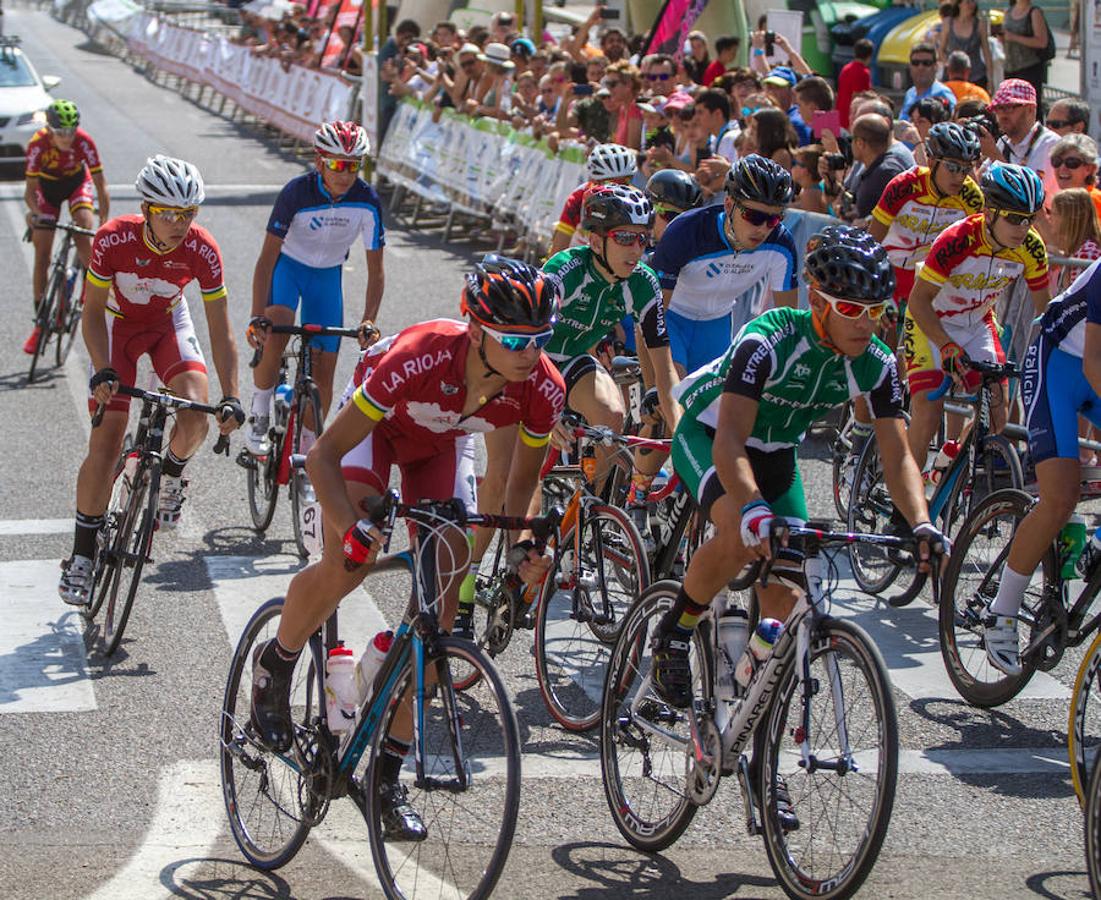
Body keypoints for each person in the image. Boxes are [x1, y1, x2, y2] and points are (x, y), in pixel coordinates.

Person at [248, 259, 564, 837]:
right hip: (374, 432)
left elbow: (518, 487)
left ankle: (386, 779)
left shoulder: (542, 387)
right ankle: (277, 661)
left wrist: (522, 545)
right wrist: (352, 529)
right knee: (351, 561)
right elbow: (322, 456)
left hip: (439, 447)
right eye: (516, 340)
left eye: (541, 339)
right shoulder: (418, 355)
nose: (530, 352)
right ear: (476, 331)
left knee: (441, 624)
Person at [648, 224, 945, 827]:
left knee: (785, 594)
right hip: (711, 436)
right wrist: (753, 506)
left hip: (776, 452)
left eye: (876, 311)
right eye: (852, 310)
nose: (866, 323)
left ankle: (756, 747)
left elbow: (897, 456)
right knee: (738, 534)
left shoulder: (877, 364)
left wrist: (921, 524)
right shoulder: (768, 339)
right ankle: (675, 633)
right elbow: (730, 439)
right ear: (817, 302)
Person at [464, 185, 681, 625]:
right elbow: (530, 342)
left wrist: (680, 431)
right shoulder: (565, 271)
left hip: (574, 362)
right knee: (504, 479)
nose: (636, 249)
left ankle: (585, 515)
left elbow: (662, 363)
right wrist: (554, 410)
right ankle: (464, 588)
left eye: (643, 238)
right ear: (596, 239)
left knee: (613, 415)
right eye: (625, 238)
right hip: (525, 366)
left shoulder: (643, 283)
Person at [58, 157, 242, 604]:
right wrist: (102, 368)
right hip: (118, 331)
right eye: (169, 213)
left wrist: (232, 395)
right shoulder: (112, 238)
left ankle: (171, 473)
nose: (180, 223)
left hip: (167, 326)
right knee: (105, 444)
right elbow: (92, 311)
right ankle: (83, 555)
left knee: (196, 416)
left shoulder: (202, 249)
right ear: (146, 208)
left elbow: (220, 329)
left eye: (188, 213)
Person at [981, 254, 1101, 674]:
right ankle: (1002, 610)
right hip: (1060, 366)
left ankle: (1096, 541)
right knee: (1060, 497)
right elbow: (1094, 361)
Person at [245, 121, 384, 456]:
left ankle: (308, 452)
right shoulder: (296, 193)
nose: (345, 174)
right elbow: (266, 260)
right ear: (319, 161)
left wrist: (368, 321)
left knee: (324, 375)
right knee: (275, 331)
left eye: (353, 166)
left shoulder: (367, 201)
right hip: (289, 268)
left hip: (327, 277)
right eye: (337, 164)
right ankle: (260, 411)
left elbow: (376, 272)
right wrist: (255, 315)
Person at [903, 163, 1050, 473]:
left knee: (997, 416)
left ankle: (947, 465)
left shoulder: (1031, 248)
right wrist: (945, 345)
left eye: (1029, 219)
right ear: (989, 209)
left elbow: (1044, 311)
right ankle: (905, 513)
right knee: (928, 415)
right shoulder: (957, 239)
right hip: (932, 322)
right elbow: (918, 301)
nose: (1022, 229)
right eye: (1013, 218)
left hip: (977, 323)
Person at [651, 155, 798, 375]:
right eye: (753, 216)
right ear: (729, 205)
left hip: (716, 324)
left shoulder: (781, 245)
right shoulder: (686, 231)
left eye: (774, 219)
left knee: (709, 406)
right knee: (674, 394)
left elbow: (788, 323)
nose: (763, 228)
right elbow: (652, 318)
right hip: (672, 317)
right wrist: (655, 386)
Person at [869, 122, 984, 318]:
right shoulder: (904, 186)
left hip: (931, 279)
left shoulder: (970, 197)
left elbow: (977, 251)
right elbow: (872, 241)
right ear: (931, 161)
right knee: (888, 333)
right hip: (889, 271)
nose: (960, 177)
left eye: (966, 169)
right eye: (952, 167)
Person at [23, 99, 110, 355]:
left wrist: (103, 222)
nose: (67, 138)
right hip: (46, 190)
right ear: (50, 129)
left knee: (84, 227)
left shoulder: (84, 142)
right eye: (61, 133)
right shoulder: (37, 145)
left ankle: (89, 289)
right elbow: (29, 193)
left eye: (71, 132)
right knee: (42, 254)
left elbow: (101, 185)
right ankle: (40, 323)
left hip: (75, 185)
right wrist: (38, 215)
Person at [976, 78, 1059, 208]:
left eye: (1009, 108)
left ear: (1030, 109)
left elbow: (1028, 199)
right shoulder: (1003, 143)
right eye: (998, 108)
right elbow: (979, 184)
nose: (1002, 115)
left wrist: (994, 156)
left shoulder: (1051, 145)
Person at [548, 143, 636, 257]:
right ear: (594, 180)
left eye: (625, 181)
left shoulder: (636, 199)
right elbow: (558, 250)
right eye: (609, 183)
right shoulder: (579, 197)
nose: (617, 188)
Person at [1046, 188, 1101, 292]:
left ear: (1070, 218)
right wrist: (1064, 260)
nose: (1050, 218)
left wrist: (1064, 262)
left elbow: (1076, 301)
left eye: (1054, 213)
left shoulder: (1088, 253)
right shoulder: (1079, 249)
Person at [1002, 0, 1050, 110]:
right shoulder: (1008, 12)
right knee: (1011, 107)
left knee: (1028, 107)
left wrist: (1014, 37)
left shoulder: (1034, 12)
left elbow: (1042, 42)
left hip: (1029, 68)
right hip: (1010, 67)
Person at [1046, 133, 1101, 224]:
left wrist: (1040, 219)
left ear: (1090, 168)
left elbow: (1062, 238)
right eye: (1057, 161)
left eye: (1072, 162)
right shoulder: (1061, 199)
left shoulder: (1092, 199)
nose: (1062, 168)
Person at [939, 0, 993, 90]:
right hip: (952, 77)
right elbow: (941, 50)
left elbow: (987, 52)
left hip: (976, 76)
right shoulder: (948, 23)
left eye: (973, 1)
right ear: (959, 4)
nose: (972, 4)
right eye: (968, 2)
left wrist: (991, 79)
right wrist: (949, 65)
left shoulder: (980, 24)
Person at [900, 43, 957, 121]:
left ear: (936, 67)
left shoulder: (943, 94)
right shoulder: (910, 94)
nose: (920, 67)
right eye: (915, 63)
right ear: (910, 66)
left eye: (926, 63)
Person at [837, 38, 873, 130]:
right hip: (852, 119)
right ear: (869, 55)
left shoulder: (846, 68)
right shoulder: (864, 72)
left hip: (840, 115)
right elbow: (858, 97)